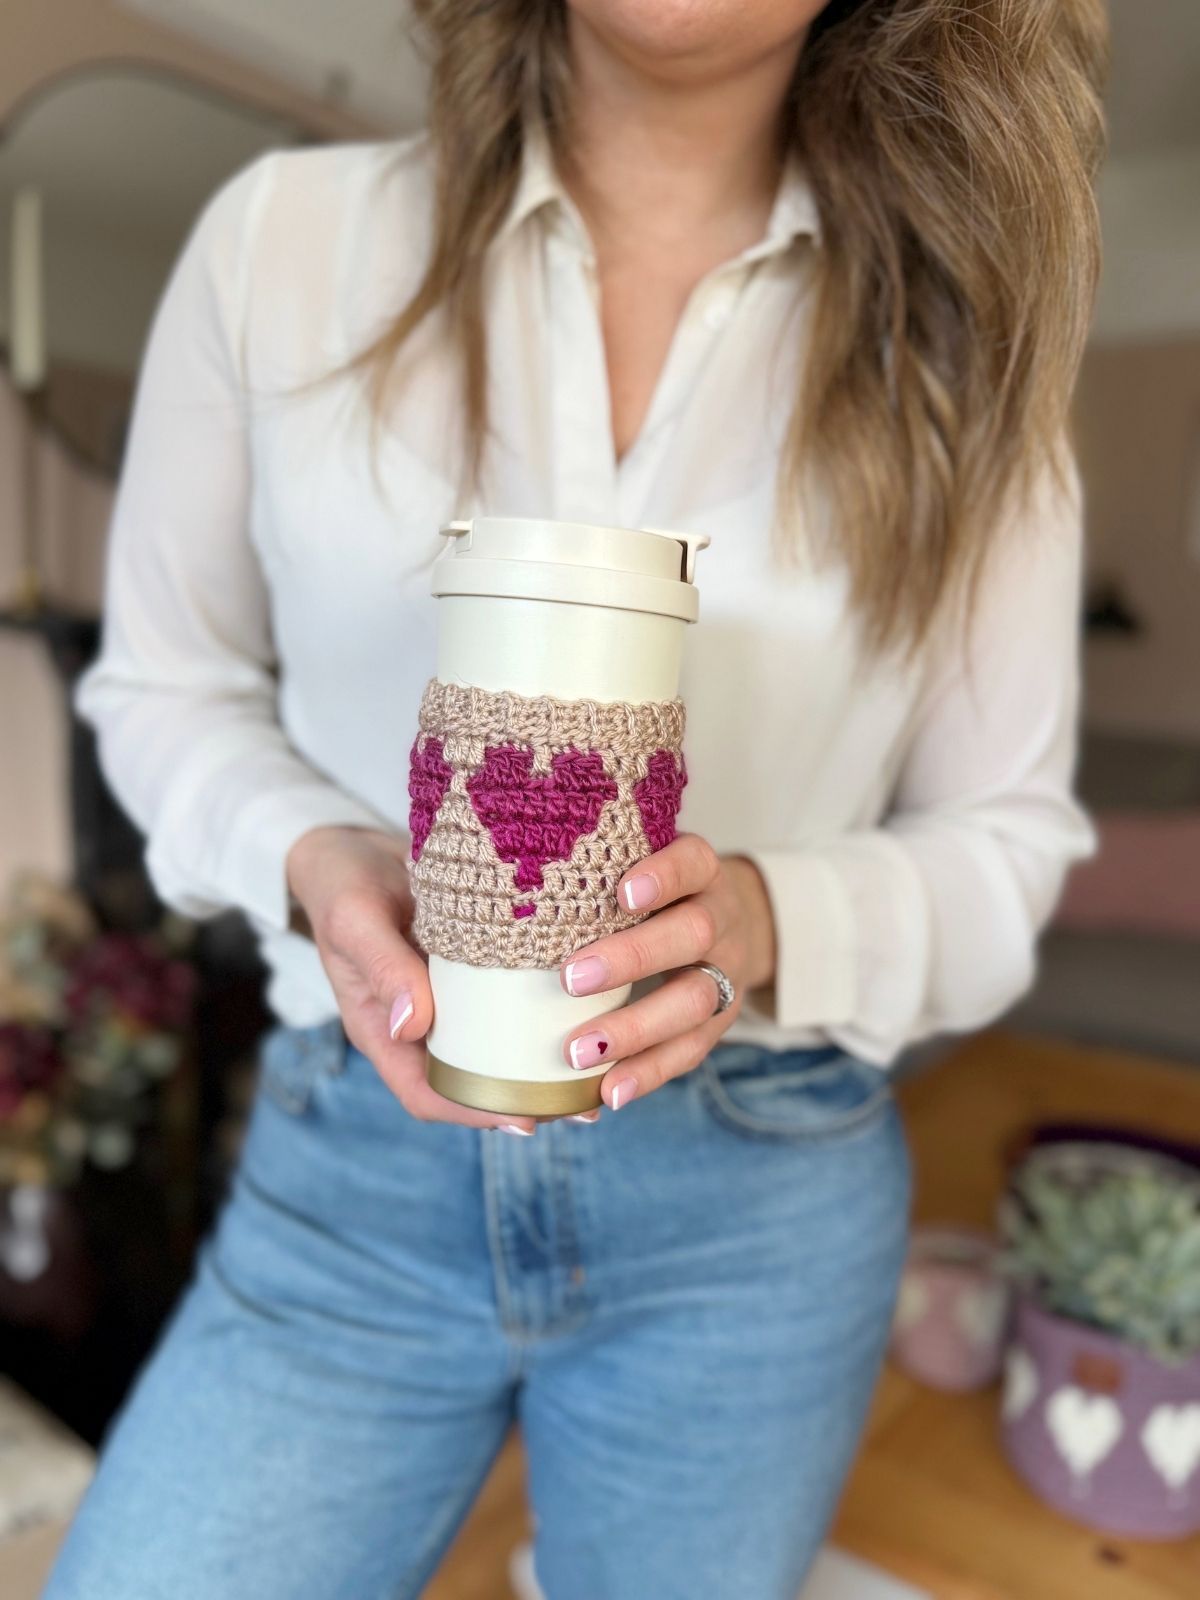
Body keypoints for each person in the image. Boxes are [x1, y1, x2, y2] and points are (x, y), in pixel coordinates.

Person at [45, 1, 1107, 1596]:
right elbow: (159, 687)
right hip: (354, 1165)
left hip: (755, 1198)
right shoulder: (286, 246)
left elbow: (1008, 846)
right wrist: (310, 854)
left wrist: (759, 916)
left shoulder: (963, 349)